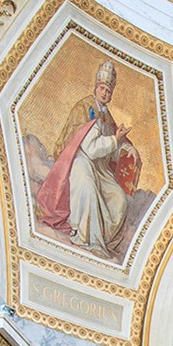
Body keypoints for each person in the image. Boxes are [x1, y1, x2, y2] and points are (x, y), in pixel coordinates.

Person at [35, 60, 142, 257]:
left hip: (100, 167)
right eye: (102, 88)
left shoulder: (107, 116)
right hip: (80, 160)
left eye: (108, 91)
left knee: (119, 200)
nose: (104, 94)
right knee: (87, 187)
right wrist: (115, 140)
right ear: (96, 87)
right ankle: (86, 238)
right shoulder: (84, 108)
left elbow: (113, 144)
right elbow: (91, 148)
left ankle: (104, 239)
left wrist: (127, 148)